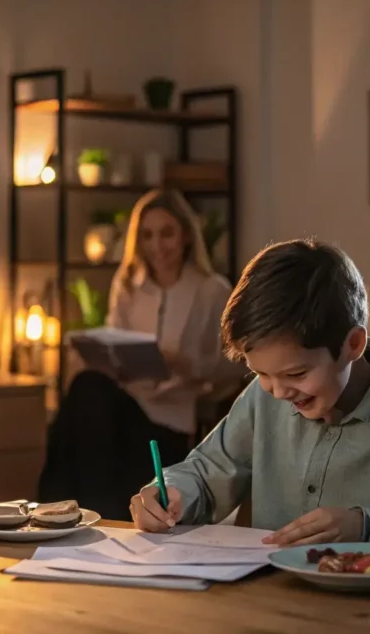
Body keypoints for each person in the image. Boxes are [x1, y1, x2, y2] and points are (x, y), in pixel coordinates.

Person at [130, 238, 370, 558]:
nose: (278, 392)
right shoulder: (262, 400)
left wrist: (366, 530)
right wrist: (171, 495)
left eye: (296, 375)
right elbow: (206, 474)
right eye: (261, 374)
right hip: (267, 602)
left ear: (352, 345)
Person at [38, 189, 241, 520]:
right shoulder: (129, 285)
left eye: (167, 234)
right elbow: (114, 339)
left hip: (171, 421)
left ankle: (78, 513)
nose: (157, 245)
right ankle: (71, 513)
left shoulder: (211, 290)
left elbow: (235, 366)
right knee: (86, 387)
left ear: (186, 236)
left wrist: (186, 364)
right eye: (147, 235)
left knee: (88, 399)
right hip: (127, 405)